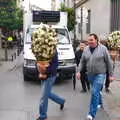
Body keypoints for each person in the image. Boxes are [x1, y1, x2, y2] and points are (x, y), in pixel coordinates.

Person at [76, 33, 115, 120]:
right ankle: (99, 101)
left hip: (100, 74)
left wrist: (111, 75)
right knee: (96, 91)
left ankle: (91, 114)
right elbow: (82, 61)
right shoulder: (86, 49)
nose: (90, 42)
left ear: (96, 40)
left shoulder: (103, 49)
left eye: (91, 40)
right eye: (88, 40)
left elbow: (109, 62)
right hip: (90, 74)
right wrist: (79, 71)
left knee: (94, 92)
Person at [36, 50, 65, 120]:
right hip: (43, 75)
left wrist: (46, 73)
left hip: (50, 76)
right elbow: (37, 62)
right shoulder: (40, 49)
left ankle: (43, 116)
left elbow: (55, 65)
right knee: (47, 94)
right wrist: (39, 72)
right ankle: (61, 101)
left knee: (43, 96)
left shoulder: (52, 49)